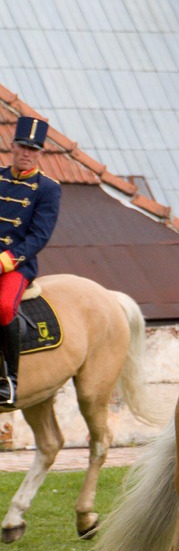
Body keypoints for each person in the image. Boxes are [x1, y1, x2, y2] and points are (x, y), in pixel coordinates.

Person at [0, 116, 62, 405]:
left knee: (2, 308)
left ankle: (8, 381)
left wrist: (6, 261)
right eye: (23, 146)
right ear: (11, 146)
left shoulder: (48, 188)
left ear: (41, 153)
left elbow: (40, 235)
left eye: (33, 149)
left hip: (17, 263)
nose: (26, 153)